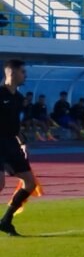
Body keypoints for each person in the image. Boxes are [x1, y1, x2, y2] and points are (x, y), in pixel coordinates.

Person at [0, 60, 43, 235]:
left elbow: (15, 125)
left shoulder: (18, 98)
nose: (25, 75)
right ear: (12, 73)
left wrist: (22, 142)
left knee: (30, 183)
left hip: (11, 143)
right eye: (23, 72)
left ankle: (6, 221)